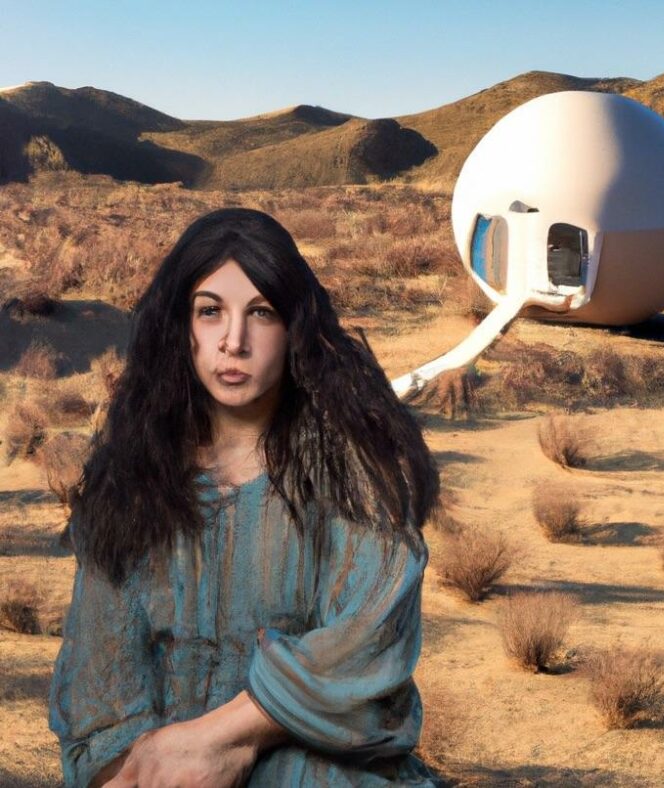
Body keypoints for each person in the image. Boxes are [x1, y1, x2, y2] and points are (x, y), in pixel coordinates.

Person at [48, 208, 442, 787]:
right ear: (181, 327)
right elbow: (97, 694)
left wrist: (222, 742)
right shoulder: (130, 483)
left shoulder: (355, 469)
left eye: (261, 313)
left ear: (295, 329)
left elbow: (364, 648)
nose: (233, 342)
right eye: (211, 312)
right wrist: (154, 765)